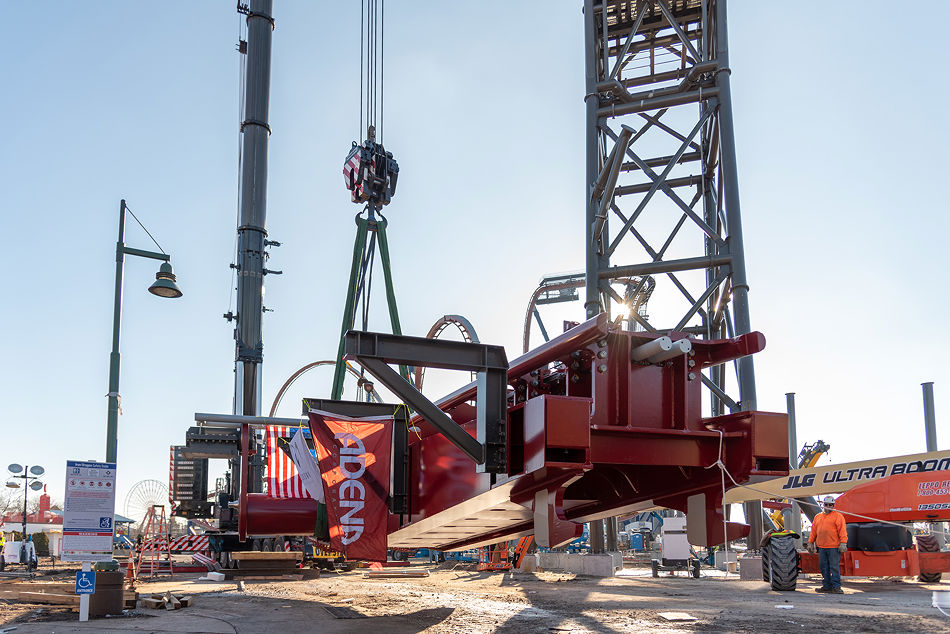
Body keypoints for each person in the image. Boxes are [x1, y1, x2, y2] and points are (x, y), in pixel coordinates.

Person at [807, 495, 848, 594]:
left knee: (834, 567)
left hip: (833, 547)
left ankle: (836, 587)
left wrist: (843, 543)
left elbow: (842, 531)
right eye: (826, 504)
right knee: (823, 567)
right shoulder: (818, 517)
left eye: (830, 505)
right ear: (823, 505)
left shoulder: (838, 517)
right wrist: (810, 543)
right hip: (821, 547)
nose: (828, 506)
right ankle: (827, 586)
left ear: (833, 506)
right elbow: (814, 532)